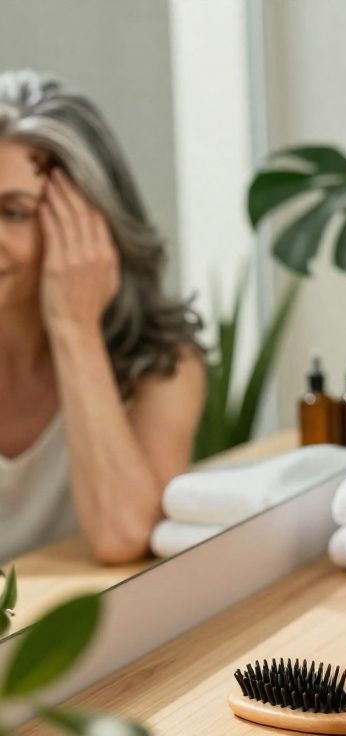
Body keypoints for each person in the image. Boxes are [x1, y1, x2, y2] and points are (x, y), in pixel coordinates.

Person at [0, 70, 205, 565]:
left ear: (92, 226)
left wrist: (74, 328)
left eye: (14, 212)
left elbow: (123, 534)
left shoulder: (163, 364)